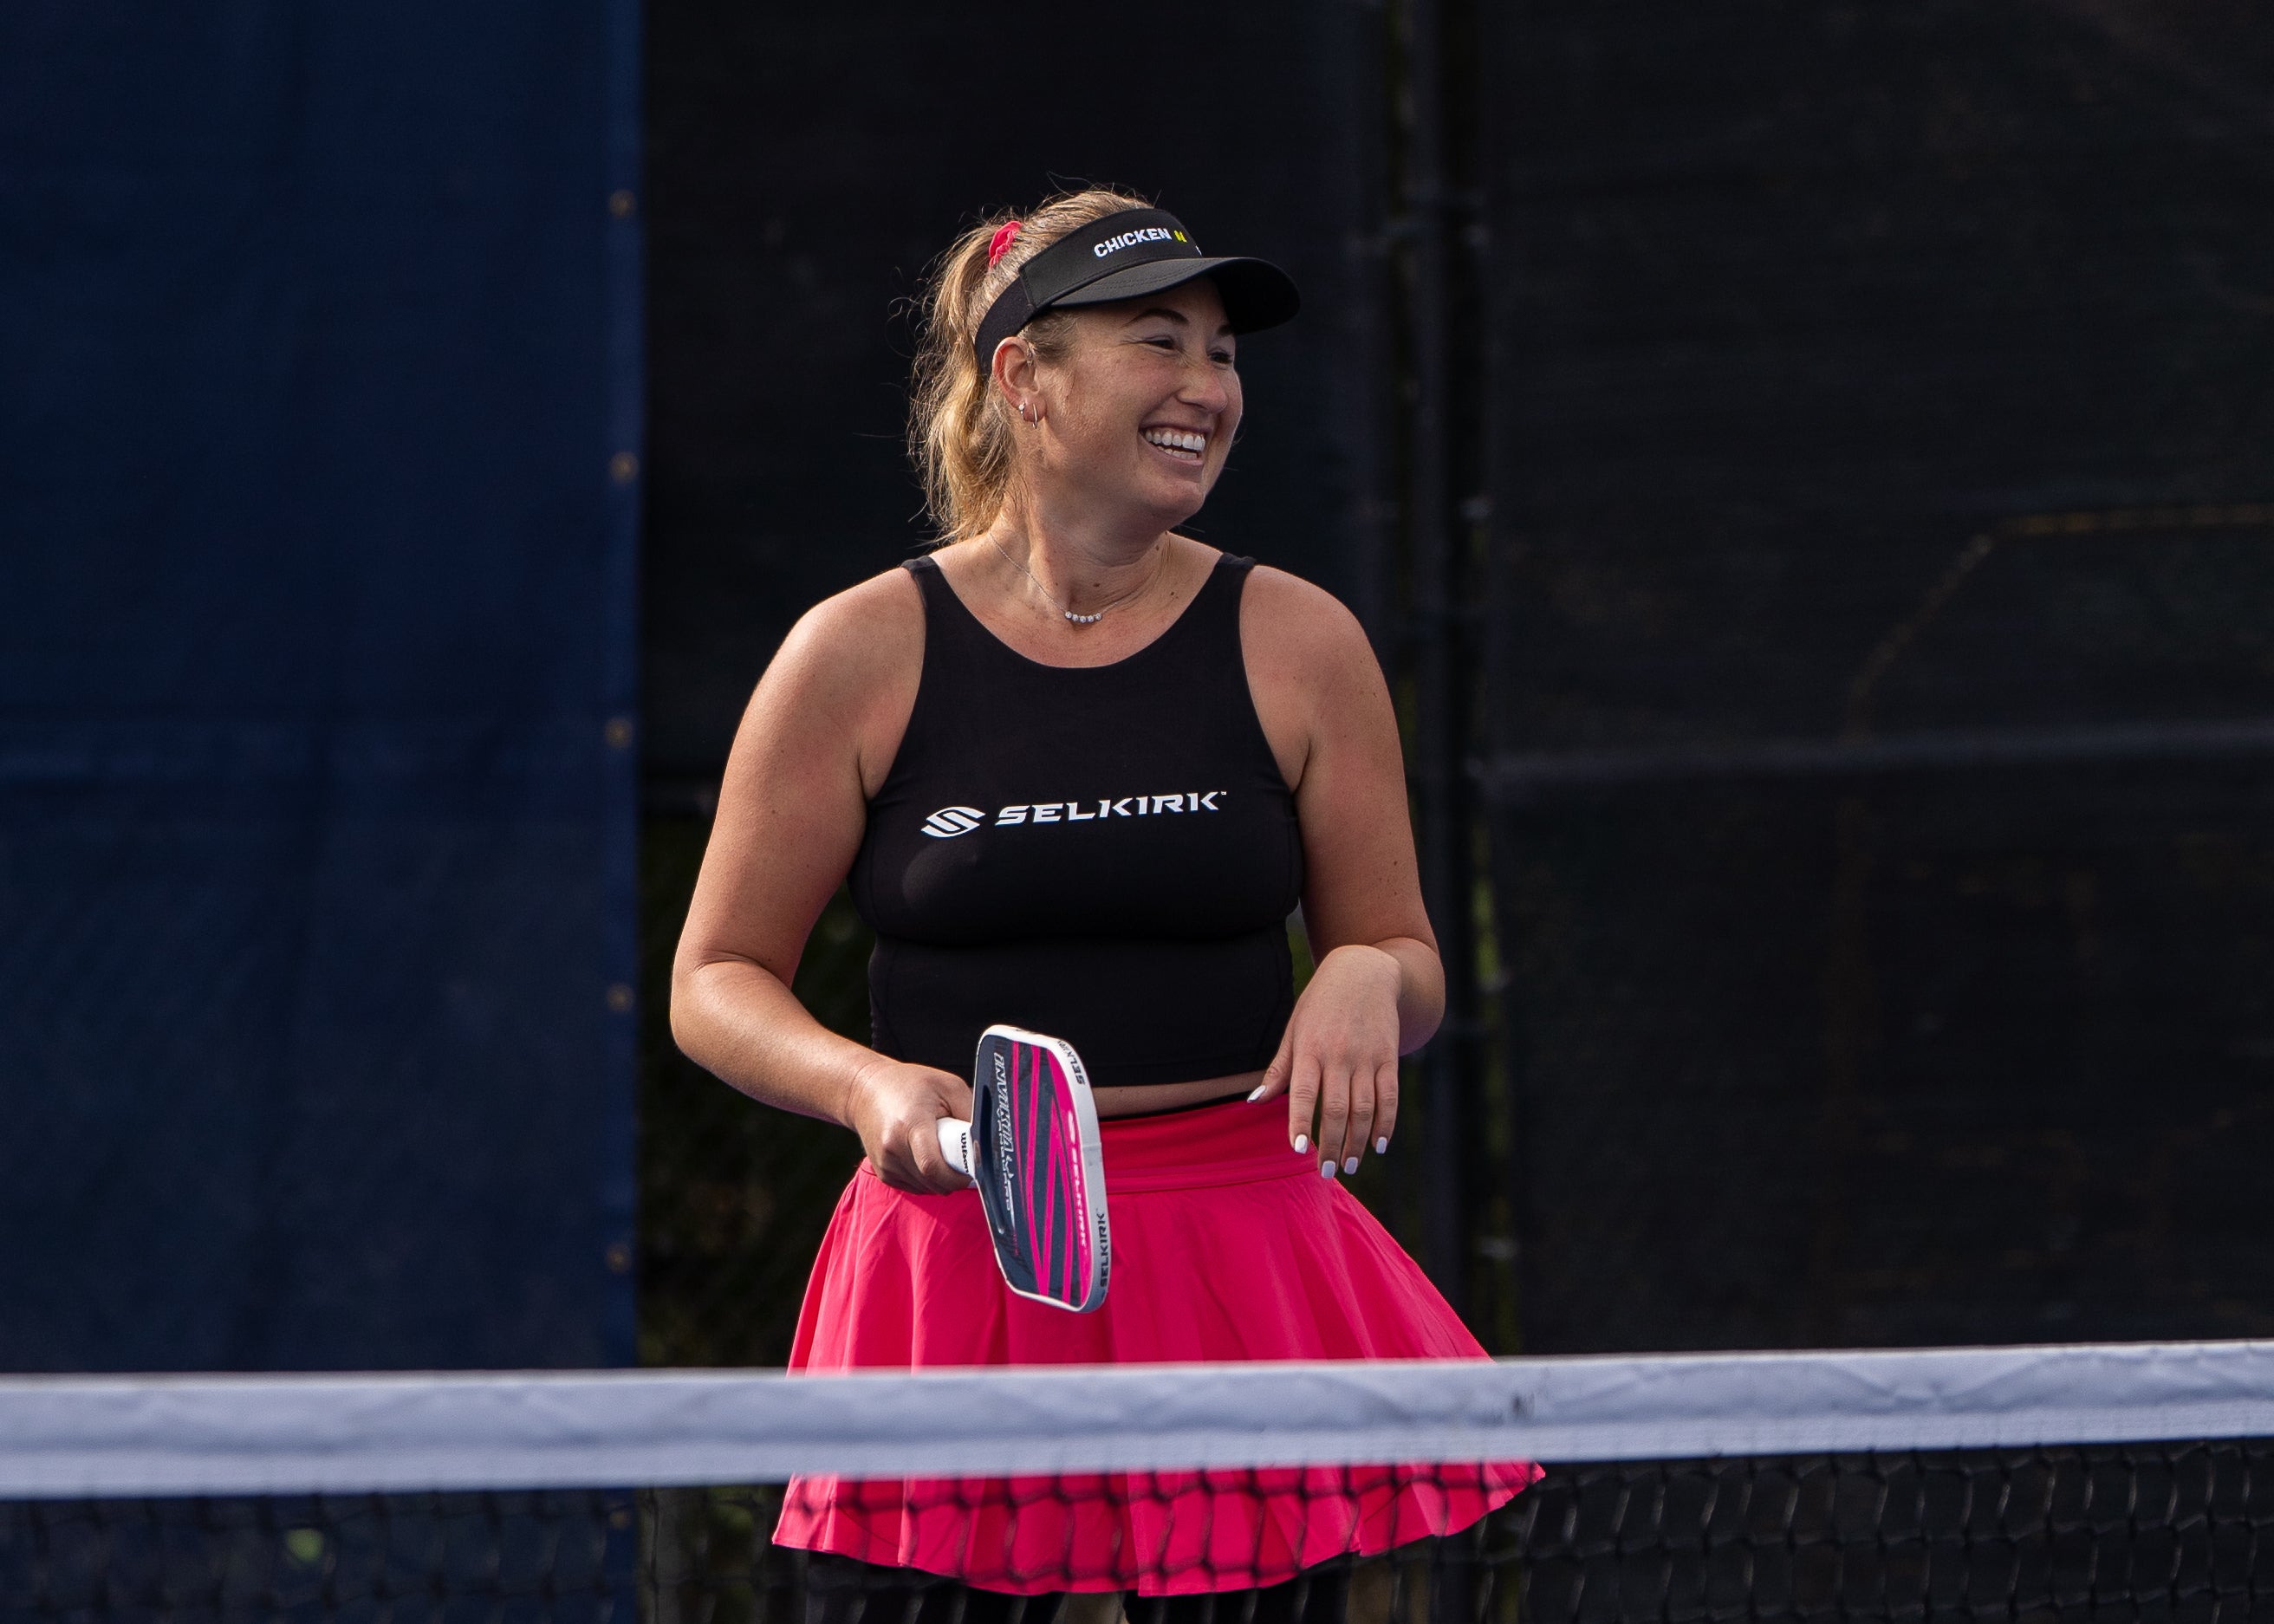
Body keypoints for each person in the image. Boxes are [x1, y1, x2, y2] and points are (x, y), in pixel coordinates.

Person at [671, 188, 1534, 1621]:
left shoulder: (1302, 640)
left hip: (1244, 1249)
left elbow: (1408, 952)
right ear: (1025, 376)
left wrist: (1370, 975)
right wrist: (868, 1088)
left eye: (1224, 354)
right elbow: (715, 979)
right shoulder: (856, 651)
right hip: (953, 1259)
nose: (1208, 387)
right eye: (1160, 343)